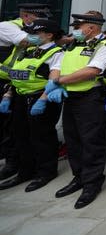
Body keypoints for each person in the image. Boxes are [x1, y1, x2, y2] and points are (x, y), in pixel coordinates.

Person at [47, 11, 106, 208]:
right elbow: (58, 64)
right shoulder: (74, 44)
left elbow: (93, 71)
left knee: (92, 140)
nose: (76, 30)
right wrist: (55, 81)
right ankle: (78, 177)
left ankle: (92, 182)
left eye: (79, 27)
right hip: (70, 96)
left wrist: (58, 81)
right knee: (73, 139)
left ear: (91, 27)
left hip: (91, 97)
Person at [0, 19, 63, 192]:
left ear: (49, 35)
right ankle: (25, 171)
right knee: (20, 135)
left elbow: (54, 79)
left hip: (40, 98)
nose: (31, 36)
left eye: (36, 33)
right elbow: (17, 74)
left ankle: (46, 172)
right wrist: (8, 95)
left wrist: (43, 100)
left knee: (41, 137)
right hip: (20, 97)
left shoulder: (56, 52)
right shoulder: (27, 50)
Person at [0, 3, 51, 180]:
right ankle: (12, 163)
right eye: (39, 19)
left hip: (18, 86)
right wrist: (58, 37)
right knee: (10, 128)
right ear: (27, 17)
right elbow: (26, 41)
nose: (42, 24)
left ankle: (17, 163)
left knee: (14, 128)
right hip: (6, 82)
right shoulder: (8, 27)